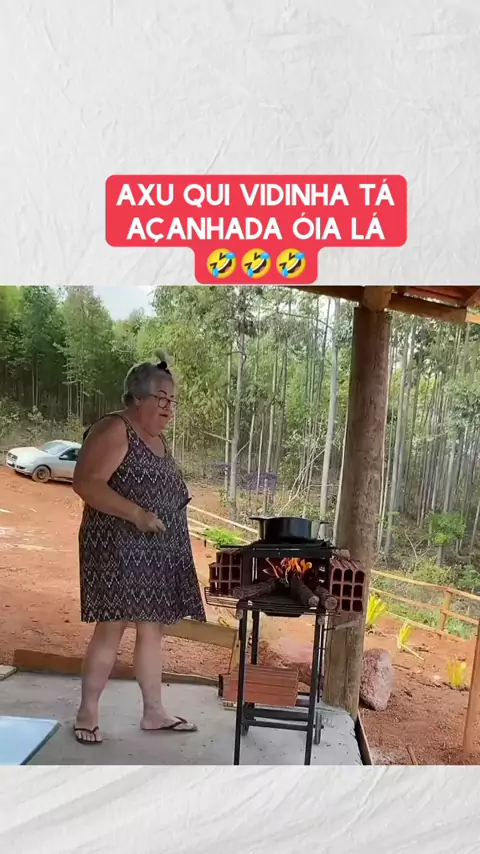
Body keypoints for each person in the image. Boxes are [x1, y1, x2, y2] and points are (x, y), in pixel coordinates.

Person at [72, 356, 206, 744]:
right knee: (112, 626)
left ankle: (154, 712)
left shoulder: (157, 439)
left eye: (172, 400)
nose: (168, 407)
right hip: (116, 547)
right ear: (136, 397)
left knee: (152, 629)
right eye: (161, 398)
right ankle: (87, 713)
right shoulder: (115, 428)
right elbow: (86, 482)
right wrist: (137, 514)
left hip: (154, 549)